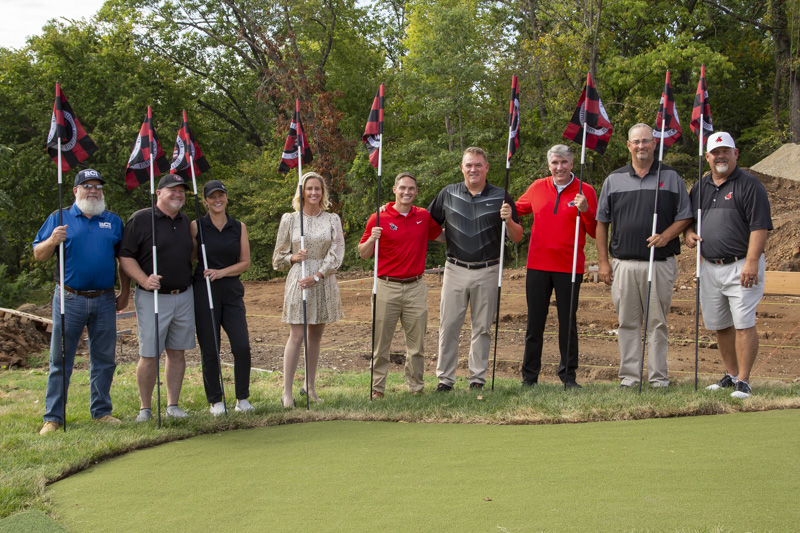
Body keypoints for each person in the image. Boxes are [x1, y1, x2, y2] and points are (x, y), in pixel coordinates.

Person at [34, 169, 130, 434]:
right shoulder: (60, 218)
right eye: (87, 186)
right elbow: (38, 254)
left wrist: (125, 291)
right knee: (60, 360)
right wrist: (52, 241)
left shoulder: (112, 221)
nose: (93, 191)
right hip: (69, 299)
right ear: (75, 190)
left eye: (97, 187)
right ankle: (53, 417)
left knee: (104, 359)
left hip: (104, 299)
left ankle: (101, 412)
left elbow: (124, 261)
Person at [596, 124, 693, 388]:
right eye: (636, 142)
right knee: (627, 323)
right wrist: (603, 262)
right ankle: (629, 378)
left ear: (654, 144)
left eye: (646, 141)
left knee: (657, 324)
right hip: (623, 265)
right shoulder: (614, 180)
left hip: (659, 264)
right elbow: (601, 222)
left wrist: (666, 236)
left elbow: (685, 215)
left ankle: (658, 378)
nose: (641, 146)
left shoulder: (671, 177)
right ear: (628, 146)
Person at [684, 132, 772, 399]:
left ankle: (744, 381)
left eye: (726, 151)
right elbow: (689, 218)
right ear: (707, 157)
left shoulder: (749, 185)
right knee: (721, 324)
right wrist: (688, 232)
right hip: (709, 266)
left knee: (744, 322)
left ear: (736, 153)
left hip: (741, 265)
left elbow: (760, 226)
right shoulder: (700, 187)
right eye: (715, 152)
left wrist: (752, 262)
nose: (720, 156)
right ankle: (731, 374)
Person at [427, 147, 523, 391]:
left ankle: (477, 379)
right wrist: (450, 238)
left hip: (488, 270)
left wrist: (509, 220)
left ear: (487, 167)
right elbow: (427, 225)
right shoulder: (448, 193)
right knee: (449, 326)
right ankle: (445, 380)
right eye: (469, 165)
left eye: (478, 165)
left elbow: (517, 237)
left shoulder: (501, 195)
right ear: (462, 167)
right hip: (455, 269)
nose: (473, 169)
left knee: (482, 328)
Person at [514, 145, 597, 389]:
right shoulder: (537, 187)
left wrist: (586, 210)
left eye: (564, 162)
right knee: (534, 323)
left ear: (572, 163)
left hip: (569, 266)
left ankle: (568, 377)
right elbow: (517, 210)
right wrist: (504, 210)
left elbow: (594, 230)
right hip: (537, 265)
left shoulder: (586, 191)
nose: (559, 167)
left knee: (567, 323)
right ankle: (529, 378)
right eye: (554, 163)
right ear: (549, 165)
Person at [358, 172, 442, 398]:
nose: (407, 192)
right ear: (394, 189)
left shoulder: (423, 216)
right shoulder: (378, 217)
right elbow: (363, 254)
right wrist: (371, 239)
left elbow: (442, 236)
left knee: (417, 345)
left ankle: (416, 387)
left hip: (416, 286)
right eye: (402, 188)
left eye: (411, 189)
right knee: (381, 343)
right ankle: (377, 388)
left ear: (416, 191)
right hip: (386, 286)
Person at [119, 174, 195, 421]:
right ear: (159, 193)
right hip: (152, 297)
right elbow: (125, 256)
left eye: (182, 191)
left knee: (177, 352)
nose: (178, 194)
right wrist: (142, 280)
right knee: (149, 353)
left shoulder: (185, 222)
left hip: (183, 295)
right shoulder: (142, 219)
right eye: (172, 190)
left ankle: (172, 405)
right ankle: (145, 408)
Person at [272, 172, 345, 408]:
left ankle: (310, 386)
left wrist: (318, 275)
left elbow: (336, 253)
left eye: (318, 189)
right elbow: (277, 259)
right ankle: (287, 392)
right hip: (299, 279)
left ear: (323, 192)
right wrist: (293, 256)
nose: (314, 193)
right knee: (297, 335)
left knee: (315, 336)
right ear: (302, 192)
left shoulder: (332, 219)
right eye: (309, 188)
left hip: (322, 279)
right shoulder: (291, 220)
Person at [191, 180, 254, 415]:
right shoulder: (196, 226)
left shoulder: (239, 227)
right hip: (204, 290)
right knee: (210, 347)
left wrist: (221, 272)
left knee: (242, 346)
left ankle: (242, 398)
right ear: (205, 200)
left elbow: (245, 263)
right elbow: (191, 257)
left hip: (231, 291)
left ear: (226, 198)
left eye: (221, 195)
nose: (217, 200)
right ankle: (216, 401)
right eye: (212, 196)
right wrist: (208, 273)